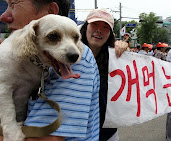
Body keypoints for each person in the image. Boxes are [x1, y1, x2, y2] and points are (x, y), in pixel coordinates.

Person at [0, 0, 100, 141]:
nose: (4, 16)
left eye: (14, 5)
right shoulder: (32, 56)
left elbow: (47, 139)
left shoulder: (77, 59)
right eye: (54, 37)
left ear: (51, 11)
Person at [80, 9, 128, 141]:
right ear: (85, 28)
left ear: (110, 34)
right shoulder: (68, 54)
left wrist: (124, 53)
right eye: (95, 24)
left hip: (108, 134)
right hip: (75, 132)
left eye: (105, 27)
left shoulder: (116, 60)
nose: (99, 30)